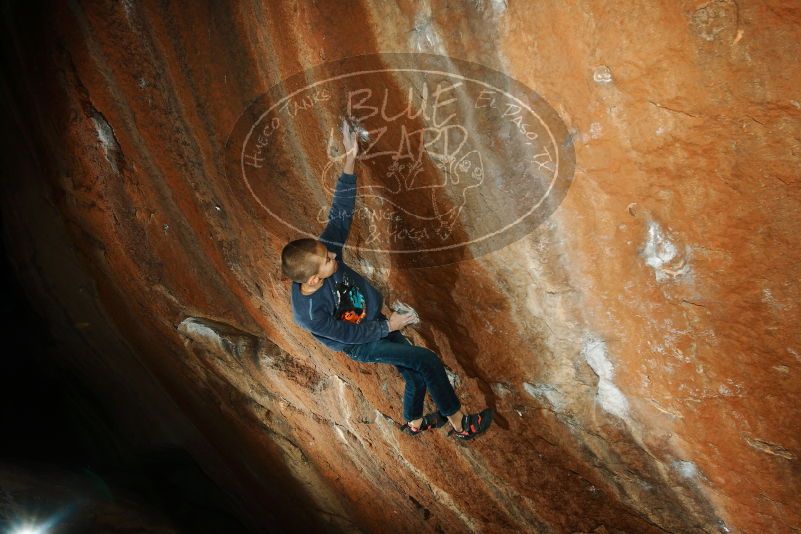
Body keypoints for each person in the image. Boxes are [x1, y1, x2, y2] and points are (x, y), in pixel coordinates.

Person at [281, 120, 492, 440]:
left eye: (328, 253)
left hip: (375, 320)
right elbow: (346, 332)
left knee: (415, 376)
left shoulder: (323, 260)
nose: (334, 257)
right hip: (363, 342)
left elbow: (340, 214)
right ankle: (461, 425)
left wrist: (351, 157)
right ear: (311, 279)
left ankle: (415, 424)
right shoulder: (309, 314)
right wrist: (389, 327)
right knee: (427, 361)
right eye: (327, 261)